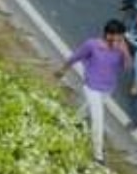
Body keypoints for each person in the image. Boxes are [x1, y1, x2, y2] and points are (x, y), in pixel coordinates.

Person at [55, 20, 131, 164]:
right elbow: (75, 57)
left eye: (121, 38)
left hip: (108, 88)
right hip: (91, 86)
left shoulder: (120, 48)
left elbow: (127, 67)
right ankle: (98, 154)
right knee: (98, 119)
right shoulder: (92, 45)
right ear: (108, 35)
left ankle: (73, 122)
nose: (120, 41)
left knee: (89, 107)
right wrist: (62, 70)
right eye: (117, 37)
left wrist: (125, 52)